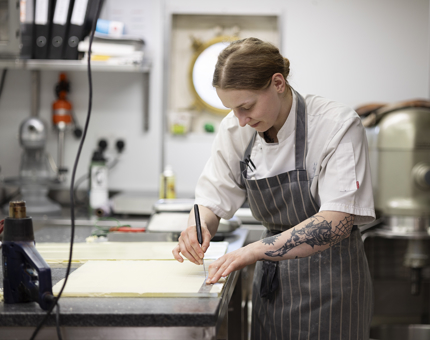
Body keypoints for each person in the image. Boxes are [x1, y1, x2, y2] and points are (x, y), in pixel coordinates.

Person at [172, 37, 375, 340]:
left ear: (278, 83)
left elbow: (337, 222)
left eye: (246, 106)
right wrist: (196, 227)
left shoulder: (336, 125)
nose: (240, 120)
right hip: (273, 288)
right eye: (232, 109)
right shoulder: (237, 128)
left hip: (332, 287)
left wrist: (253, 251)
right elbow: (212, 199)